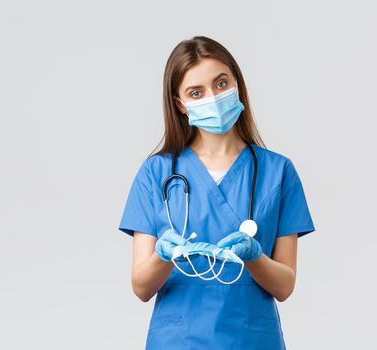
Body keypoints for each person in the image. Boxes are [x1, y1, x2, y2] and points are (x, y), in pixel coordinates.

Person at [118, 36, 315, 349]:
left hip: (251, 340)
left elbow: (285, 285)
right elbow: (141, 287)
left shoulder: (278, 171)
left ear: (236, 83)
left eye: (221, 84)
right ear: (181, 104)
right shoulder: (157, 173)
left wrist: (254, 257)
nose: (213, 97)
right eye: (196, 92)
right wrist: (163, 256)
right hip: (178, 341)